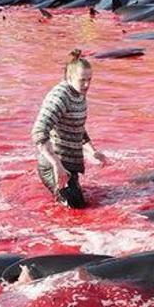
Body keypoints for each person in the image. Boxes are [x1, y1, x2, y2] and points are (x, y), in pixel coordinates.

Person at [32, 51, 108, 209]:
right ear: (69, 78)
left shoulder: (79, 93)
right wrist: (56, 164)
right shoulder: (59, 97)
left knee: (82, 205)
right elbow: (39, 132)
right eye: (82, 80)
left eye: (89, 80)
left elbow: (77, 126)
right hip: (53, 164)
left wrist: (92, 151)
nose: (87, 85)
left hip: (69, 165)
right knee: (75, 209)